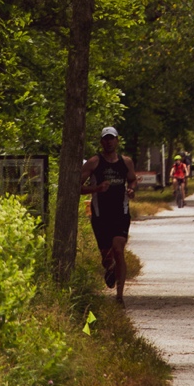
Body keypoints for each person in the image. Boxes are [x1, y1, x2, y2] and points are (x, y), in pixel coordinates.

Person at [81, 126, 137, 302]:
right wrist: (96, 188)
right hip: (100, 214)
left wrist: (131, 190)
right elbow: (77, 186)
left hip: (121, 212)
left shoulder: (126, 162)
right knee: (106, 256)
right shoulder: (94, 163)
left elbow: (132, 179)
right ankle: (109, 267)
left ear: (117, 140)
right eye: (105, 139)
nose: (109, 141)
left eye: (111, 138)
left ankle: (119, 296)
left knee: (119, 250)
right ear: (101, 142)